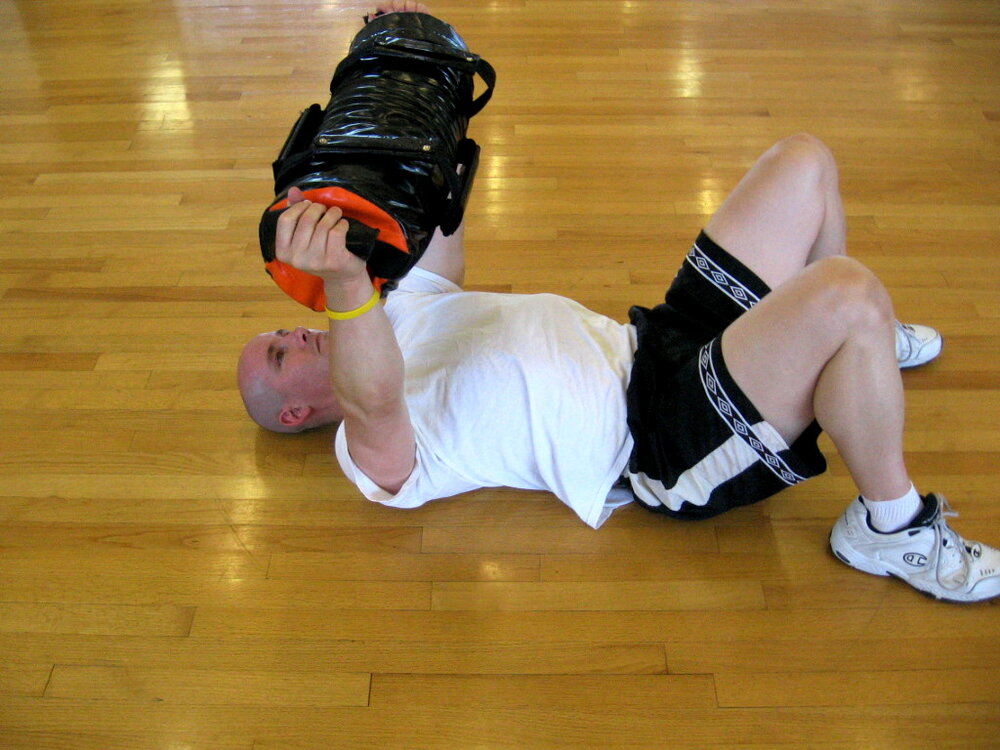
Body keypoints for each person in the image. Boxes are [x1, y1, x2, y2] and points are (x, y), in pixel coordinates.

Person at [237, 17, 997, 605]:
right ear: (298, 411)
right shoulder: (369, 456)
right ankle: (889, 526)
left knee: (804, 162)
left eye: (279, 331)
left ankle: (850, 354)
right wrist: (343, 285)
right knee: (845, 290)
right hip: (662, 435)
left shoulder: (398, 310)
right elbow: (371, 394)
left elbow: (438, 218)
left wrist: (418, 71)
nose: (293, 333)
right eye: (281, 353)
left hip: (658, 340)